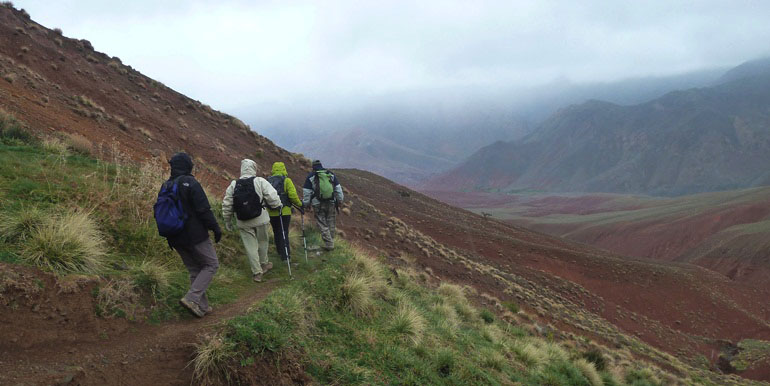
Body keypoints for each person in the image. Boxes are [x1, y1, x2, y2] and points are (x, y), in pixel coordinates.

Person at [161, 152, 222, 318]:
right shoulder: (190, 182)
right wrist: (215, 229)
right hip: (194, 235)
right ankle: (191, 298)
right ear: (188, 166)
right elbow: (204, 210)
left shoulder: (166, 185)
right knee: (211, 264)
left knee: (195, 269)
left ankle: (202, 307)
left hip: (174, 236)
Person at [222, 159, 281, 282]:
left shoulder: (234, 184)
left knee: (250, 247)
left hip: (243, 221)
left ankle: (257, 272)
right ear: (254, 169)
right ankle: (264, 264)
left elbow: (227, 204)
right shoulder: (260, 181)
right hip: (261, 218)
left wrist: (227, 220)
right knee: (263, 241)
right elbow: (272, 196)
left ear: (242, 169)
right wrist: (277, 205)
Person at [302, 160, 344, 251]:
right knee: (331, 223)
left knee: (322, 223)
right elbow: (338, 189)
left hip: (317, 204)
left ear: (313, 167)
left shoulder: (311, 176)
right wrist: (340, 200)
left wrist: (306, 204)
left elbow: (307, 192)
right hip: (331, 202)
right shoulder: (330, 174)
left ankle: (329, 244)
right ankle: (331, 242)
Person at [267, 161, 304, 262]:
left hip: (271, 212)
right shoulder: (287, 180)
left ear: (273, 169)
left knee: (276, 231)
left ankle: (279, 251)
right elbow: (293, 196)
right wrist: (301, 204)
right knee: (284, 232)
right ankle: (286, 256)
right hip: (285, 212)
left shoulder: (268, 181)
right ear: (284, 169)